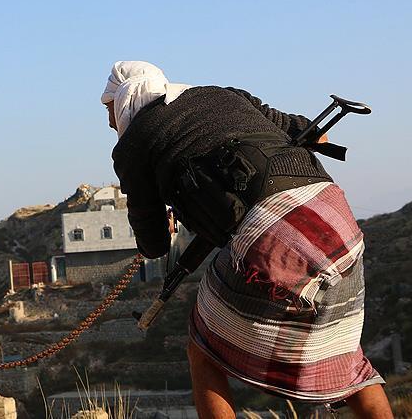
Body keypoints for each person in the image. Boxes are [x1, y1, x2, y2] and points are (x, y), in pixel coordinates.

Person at [101, 61, 393, 418]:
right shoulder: (221, 94)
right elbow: (314, 135)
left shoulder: (132, 145)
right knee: (348, 362)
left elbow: (154, 245)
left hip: (270, 240)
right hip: (336, 224)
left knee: (203, 349)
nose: (110, 123)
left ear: (123, 101)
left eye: (109, 110)